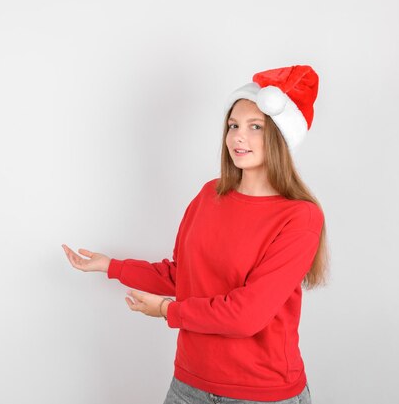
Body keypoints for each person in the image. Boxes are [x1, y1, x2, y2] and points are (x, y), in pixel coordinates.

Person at [62, 65, 329, 404]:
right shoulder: (209, 195)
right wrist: (110, 266)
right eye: (233, 125)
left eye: (255, 127)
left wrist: (166, 310)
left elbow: (247, 315)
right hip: (190, 383)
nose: (237, 137)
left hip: (262, 393)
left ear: (279, 136)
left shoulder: (299, 216)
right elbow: (183, 275)